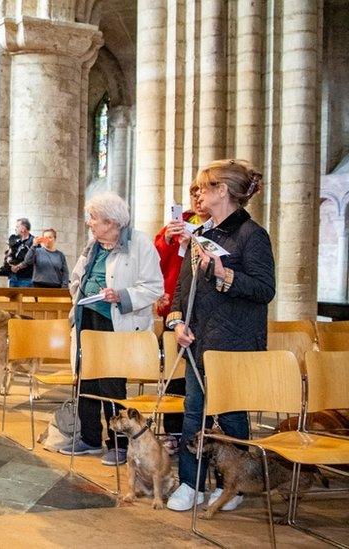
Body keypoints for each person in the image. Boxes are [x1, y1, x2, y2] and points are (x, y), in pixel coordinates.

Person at [165, 160, 274, 512]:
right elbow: (183, 287)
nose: (197, 194)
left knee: (230, 415)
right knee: (193, 412)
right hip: (199, 339)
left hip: (235, 342)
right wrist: (177, 323)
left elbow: (264, 289)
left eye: (203, 188)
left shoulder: (251, 235)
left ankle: (235, 486)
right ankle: (190, 483)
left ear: (222, 191)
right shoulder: (201, 234)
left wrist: (225, 275)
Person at [59, 191, 163, 467]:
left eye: (94, 218)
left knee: (111, 384)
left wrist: (121, 296)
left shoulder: (139, 244)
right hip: (86, 318)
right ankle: (90, 437)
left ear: (112, 221)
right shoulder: (93, 246)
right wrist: (79, 292)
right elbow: (78, 277)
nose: (89, 223)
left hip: (116, 322)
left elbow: (154, 286)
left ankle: (117, 443)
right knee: (85, 379)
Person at [154, 185, 210, 439]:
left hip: (206, 310)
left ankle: (205, 432)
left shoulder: (221, 226)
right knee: (176, 373)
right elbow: (154, 263)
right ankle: (175, 431)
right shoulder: (177, 225)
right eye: (194, 194)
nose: (198, 198)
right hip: (175, 307)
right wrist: (167, 241)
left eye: (202, 193)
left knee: (204, 371)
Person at [2, 217, 34, 287]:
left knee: (26, 297)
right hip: (13, 277)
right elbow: (10, 256)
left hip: (26, 278)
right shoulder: (15, 240)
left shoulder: (33, 241)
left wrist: (18, 267)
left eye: (17, 227)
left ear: (23, 229)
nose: (15, 229)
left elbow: (31, 259)